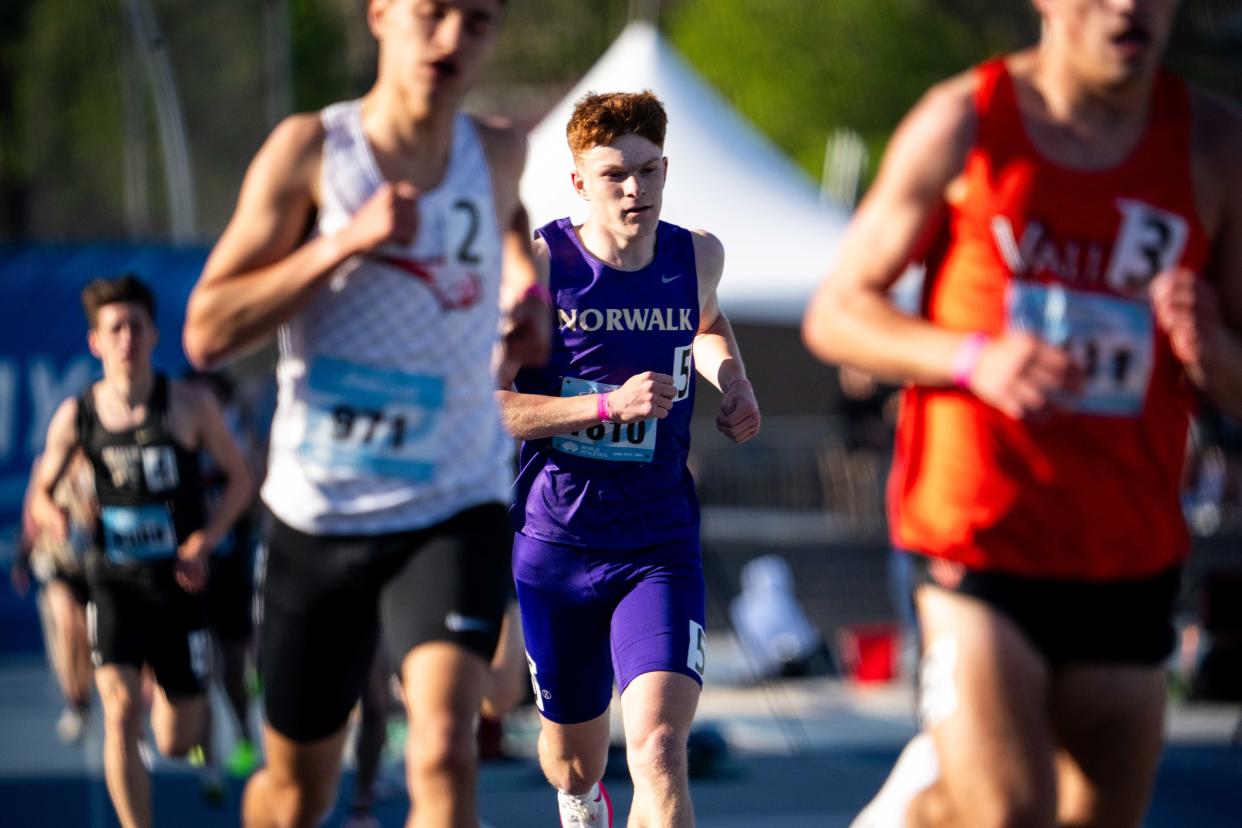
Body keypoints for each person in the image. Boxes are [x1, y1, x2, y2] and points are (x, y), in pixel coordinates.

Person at [802, 1, 1242, 825]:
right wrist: (974, 357)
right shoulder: (966, 120)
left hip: (1126, 550)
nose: (1127, 7)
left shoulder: (1215, 146)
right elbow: (837, 312)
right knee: (1011, 812)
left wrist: (1213, 351)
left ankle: (923, 808)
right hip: (981, 538)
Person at [183, 1, 549, 826]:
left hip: (452, 500)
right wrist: (343, 242)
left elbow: (512, 217)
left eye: (480, 20)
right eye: (433, 12)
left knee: (446, 751)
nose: (453, 38)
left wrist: (529, 289)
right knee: (296, 792)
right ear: (381, 14)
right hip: (323, 512)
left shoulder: (496, 150)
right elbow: (206, 330)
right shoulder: (315, 151)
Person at [500, 90, 761, 828]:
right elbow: (487, 401)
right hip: (556, 546)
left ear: (666, 169)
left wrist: (731, 377)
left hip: (658, 545)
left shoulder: (696, 254)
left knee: (658, 748)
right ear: (579, 181)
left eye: (647, 172)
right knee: (574, 760)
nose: (633, 190)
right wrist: (605, 405)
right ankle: (580, 803)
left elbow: (706, 320)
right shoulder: (543, 268)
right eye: (614, 174)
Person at [29, 275, 254, 828]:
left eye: (135, 326)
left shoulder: (188, 404)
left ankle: (201, 725)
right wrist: (51, 514)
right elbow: (38, 491)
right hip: (114, 580)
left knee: (176, 740)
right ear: (95, 342)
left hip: (179, 586)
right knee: (120, 711)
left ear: (155, 335)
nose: (126, 337)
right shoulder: (77, 415)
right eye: (114, 328)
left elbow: (240, 479)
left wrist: (205, 538)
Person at [13, 450, 96, 744]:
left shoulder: (97, 462)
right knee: (66, 623)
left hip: (88, 564)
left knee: (85, 633)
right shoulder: (47, 463)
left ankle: (82, 695)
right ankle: (74, 700)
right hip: (54, 558)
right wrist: (22, 557)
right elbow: (32, 512)